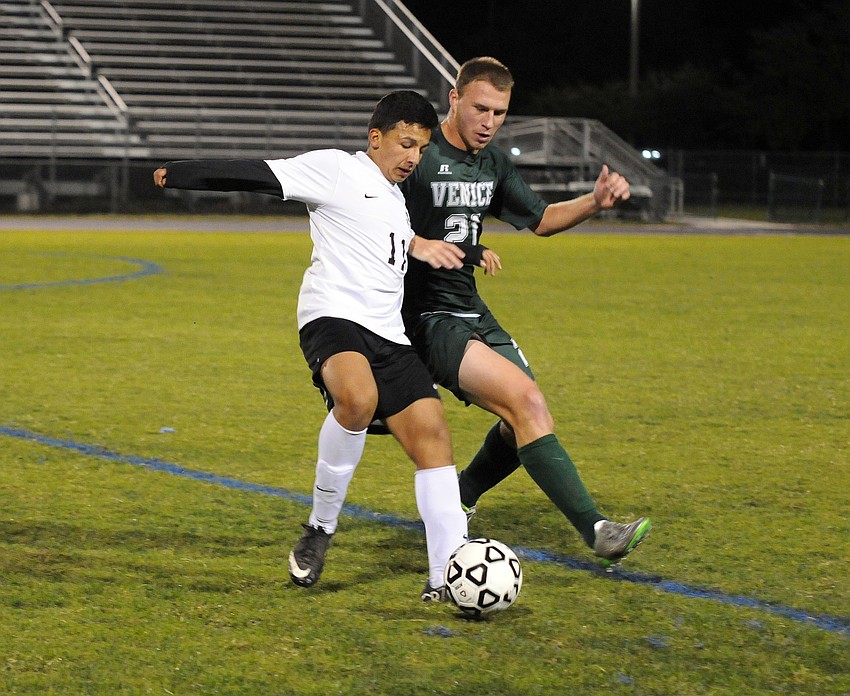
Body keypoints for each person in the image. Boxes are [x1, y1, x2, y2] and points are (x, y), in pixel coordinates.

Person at [153, 90, 470, 600]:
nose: (413, 157)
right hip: (333, 318)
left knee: (434, 438)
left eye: (421, 148)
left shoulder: (394, 197)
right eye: (405, 144)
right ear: (376, 138)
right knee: (359, 398)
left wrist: (425, 246)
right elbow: (259, 174)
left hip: (388, 332)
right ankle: (320, 529)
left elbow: (385, 237)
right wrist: (184, 172)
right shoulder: (336, 169)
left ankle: (447, 577)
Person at [399, 57, 651, 567]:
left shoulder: (492, 164)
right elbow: (372, 221)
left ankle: (461, 497)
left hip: (470, 307)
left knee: (524, 421)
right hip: (427, 317)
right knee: (528, 402)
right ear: (454, 98)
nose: (489, 122)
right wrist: (419, 243)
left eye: (500, 112)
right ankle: (598, 529)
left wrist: (595, 201)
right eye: (480, 108)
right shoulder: (419, 154)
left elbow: (540, 219)